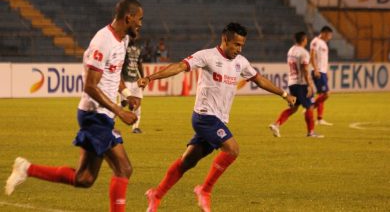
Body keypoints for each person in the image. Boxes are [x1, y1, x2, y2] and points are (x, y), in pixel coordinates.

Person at [138, 22, 296, 212]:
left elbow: (259, 79)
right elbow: (180, 66)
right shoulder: (207, 56)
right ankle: (204, 190)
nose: (239, 49)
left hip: (218, 120)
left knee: (188, 161)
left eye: (242, 46)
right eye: (236, 44)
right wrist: (150, 77)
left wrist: (284, 94)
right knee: (232, 149)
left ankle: (156, 195)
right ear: (224, 39)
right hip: (204, 117)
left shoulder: (241, 62)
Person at [5, 0, 143, 212]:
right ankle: (26, 168)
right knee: (122, 169)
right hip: (95, 115)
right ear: (128, 17)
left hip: (104, 115)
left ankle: (27, 168)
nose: (141, 24)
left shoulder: (122, 40)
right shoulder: (103, 41)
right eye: (139, 19)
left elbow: (113, 73)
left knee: (86, 178)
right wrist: (120, 111)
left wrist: (125, 94)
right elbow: (90, 86)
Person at [269, 31, 323, 138]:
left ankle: (276, 124)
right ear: (304, 40)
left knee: (293, 107)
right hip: (301, 83)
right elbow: (305, 69)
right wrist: (310, 85)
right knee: (310, 107)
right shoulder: (303, 53)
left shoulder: (291, 50)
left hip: (292, 83)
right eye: (306, 39)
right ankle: (311, 132)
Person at [310, 26, 333, 126]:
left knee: (321, 94)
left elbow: (324, 59)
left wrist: (326, 71)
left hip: (323, 71)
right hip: (318, 71)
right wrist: (315, 69)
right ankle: (310, 107)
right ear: (324, 33)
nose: (330, 37)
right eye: (329, 35)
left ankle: (319, 119)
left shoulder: (324, 43)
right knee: (326, 94)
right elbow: (312, 55)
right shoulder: (316, 41)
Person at [121, 37, 144, 134]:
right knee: (124, 104)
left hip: (135, 79)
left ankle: (135, 127)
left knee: (138, 103)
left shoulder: (138, 48)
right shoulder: (122, 48)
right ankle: (109, 121)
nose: (133, 37)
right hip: (126, 79)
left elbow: (139, 64)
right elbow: (120, 64)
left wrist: (142, 78)